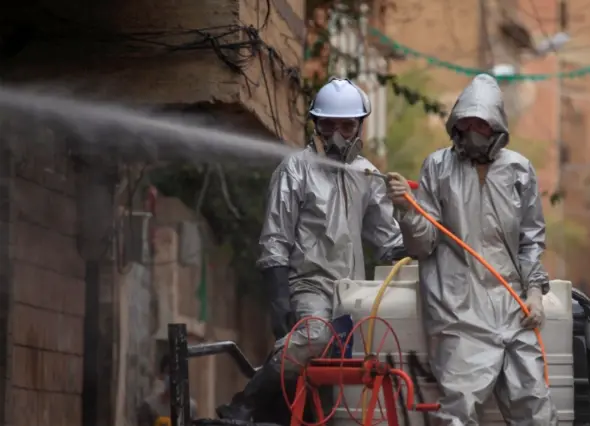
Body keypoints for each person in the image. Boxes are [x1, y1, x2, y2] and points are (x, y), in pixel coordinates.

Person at [216, 77, 406, 421]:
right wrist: (279, 299)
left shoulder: (367, 175)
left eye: (346, 126)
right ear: (315, 125)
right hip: (309, 285)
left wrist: (414, 221)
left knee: (351, 370)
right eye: (328, 125)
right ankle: (244, 405)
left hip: (352, 294)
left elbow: (388, 242)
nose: (337, 134)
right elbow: (275, 238)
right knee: (314, 337)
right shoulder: (295, 169)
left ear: (358, 127)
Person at [386, 74, 557, 425]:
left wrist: (535, 293)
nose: (472, 130)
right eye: (465, 122)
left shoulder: (519, 170)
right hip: (458, 308)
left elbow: (530, 240)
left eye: (480, 123)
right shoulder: (438, 167)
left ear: (496, 125)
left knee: (535, 407)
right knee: (458, 412)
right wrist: (406, 207)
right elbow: (423, 244)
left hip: (513, 307)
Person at [137, 354, 197, 426]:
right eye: (169, 373)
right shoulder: (149, 406)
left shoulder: (190, 407)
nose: (174, 378)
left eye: (178, 373)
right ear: (161, 375)